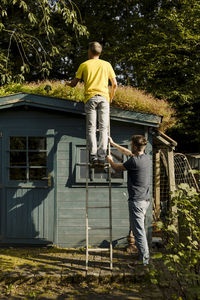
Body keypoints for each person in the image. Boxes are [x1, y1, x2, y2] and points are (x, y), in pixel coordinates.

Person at [65, 41, 117, 165]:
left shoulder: (84, 65)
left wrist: (66, 84)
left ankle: (93, 156)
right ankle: (102, 156)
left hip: (90, 98)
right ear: (100, 52)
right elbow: (114, 84)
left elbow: (73, 84)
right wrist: (110, 98)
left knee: (91, 128)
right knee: (104, 129)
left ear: (89, 51)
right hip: (104, 98)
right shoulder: (107, 65)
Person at [106, 135, 151, 268]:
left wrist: (109, 160)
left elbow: (116, 168)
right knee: (138, 229)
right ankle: (144, 257)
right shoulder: (145, 157)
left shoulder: (134, 162)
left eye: (132, 145)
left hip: (137, 201)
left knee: (139, 232)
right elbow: (128, 153)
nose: (130, 146)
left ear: (136, 147)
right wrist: (113, 143)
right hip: (144, 200)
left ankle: (144, 262)